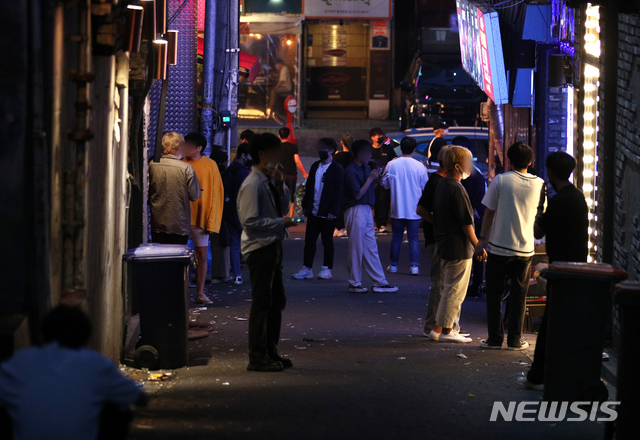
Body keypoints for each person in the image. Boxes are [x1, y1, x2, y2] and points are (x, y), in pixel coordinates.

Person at [0, 305, 147, 440]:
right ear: (85, 335)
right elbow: (139, 398)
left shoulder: (20, 361)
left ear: (44, 331)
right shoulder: (94, 363)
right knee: (116, 408)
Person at [523, 152, 588, 389]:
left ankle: (537, 376)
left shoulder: (559, 201)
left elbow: (538, 232)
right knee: (566, 321)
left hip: (562, 268)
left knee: (551, 324)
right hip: (577, 268)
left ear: (550, 172)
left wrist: (538, 208)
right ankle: (561, 372)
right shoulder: (577, 197)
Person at [237, 133, 299, 372]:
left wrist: (281, 183)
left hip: (273, 245)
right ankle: (257, 356)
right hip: (259, 248)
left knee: (276, 302)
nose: (278, 158)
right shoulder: (252, 184)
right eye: (274, 153)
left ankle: (270, 351)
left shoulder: (268, 180)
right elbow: (250, 221)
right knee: (263, 303)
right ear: (262, 155)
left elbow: (283, 206)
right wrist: (281, 223)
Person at [474, 142, 545, 351]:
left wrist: (482, 239)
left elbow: (488, 212)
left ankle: (495, 339)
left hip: (498, 246)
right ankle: (515, 340)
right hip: (524, 248)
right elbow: (541, 213)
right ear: (531, 161)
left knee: (494, 293)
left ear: (509, 160)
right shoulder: (540, 184)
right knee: (519, 295)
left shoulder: (501, 181)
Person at [429, 146, 485, 343]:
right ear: (457, 166)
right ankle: (444, 330)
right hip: (457, 246)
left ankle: (442, 328)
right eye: (468, 163)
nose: (471, 167)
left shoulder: (444, 184)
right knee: (454, 291)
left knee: (449, 289)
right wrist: (477, 244)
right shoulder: (456, 187)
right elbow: (465, 222)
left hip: (446, 243)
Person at [417, 146, 463, 338]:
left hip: (440, 238)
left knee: (444, 284)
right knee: (442, 284)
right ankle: (437, 326)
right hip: (439, 240)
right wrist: (439, 223)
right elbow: (421, 209)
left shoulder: (440, 182)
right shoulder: (438, 183)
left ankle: (442, 326)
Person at [343, 140, 398, 294]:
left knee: (370, 246)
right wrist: (370, 179)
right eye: (367, 153)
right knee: (356, 246)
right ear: (359, 154)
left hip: (366, 208)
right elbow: (357, 194)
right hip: (355, 209)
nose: (370, 155)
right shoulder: (350, 171)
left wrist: (376, 181)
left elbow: (366, 190)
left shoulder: (365, 167)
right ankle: (354, 282)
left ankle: (380, 281)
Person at [293, 138, 344, 280]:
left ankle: (326, 268)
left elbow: (338, 191)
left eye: (325, 149)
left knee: (327, 241)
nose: (321, 151)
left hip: (327, 213)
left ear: (332, 151)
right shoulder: (315, 165)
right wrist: (305, 205)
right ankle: (307, 268)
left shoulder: (336, 168)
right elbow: (309, 187)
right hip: (313, 211)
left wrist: (333, 211)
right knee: (309, 240)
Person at [182, 133, 225, 305]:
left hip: (200, 219)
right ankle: (180, 293)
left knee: (201, 256)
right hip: (181, 218)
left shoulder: (210, 165)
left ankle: (200, 293)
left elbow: (216, 194)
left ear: (199, 148)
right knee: (180, 257)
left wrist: (211, 221)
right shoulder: (180, 163)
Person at [382, 137, 429, 275]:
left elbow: (385, 185)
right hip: (414, 209)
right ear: (414, 150)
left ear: (400, 148)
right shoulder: (420, 166)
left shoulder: (392, 164)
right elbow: (425, 186)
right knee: (413, 238)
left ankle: (394, 265)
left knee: (396, 237)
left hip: (397, 207)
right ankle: (414, 266)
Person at [149, 132, 201, 245]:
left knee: (159, 258)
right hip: (179, 224)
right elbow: (195, 196)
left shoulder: (152, 165)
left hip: (157, 222)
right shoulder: (186, 168)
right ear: (179, 147)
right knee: (177, 260)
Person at [222, 144, 252, 285]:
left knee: (234, 243)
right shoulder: (243, 172)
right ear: (244, 155)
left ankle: (237, 275)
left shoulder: (230, 169)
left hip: (230, 211)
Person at [461, 163, 487, 297]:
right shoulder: (478, 176)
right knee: (476, 252)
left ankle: (472, 283)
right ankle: (476, 283)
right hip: (477, 217)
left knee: (472, 250)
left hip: (472, 218)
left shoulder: (467, 178)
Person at [369, 127, 396, 232]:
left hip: (385, 180)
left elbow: (393, 161)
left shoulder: (387, 149)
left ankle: (382, 224)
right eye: (376, 135)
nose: (379, 137)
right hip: (372, 180)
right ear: (372, 137)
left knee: (384, 201)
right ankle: (374, 223)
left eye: (380, 135)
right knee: (373, 201)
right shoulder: (369, 149)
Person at [278, 127, 308, 216]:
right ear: (289, 135)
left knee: (281, 195)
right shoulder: (293, 147)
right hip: (292, 175)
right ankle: (291, 216)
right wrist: (304, 173)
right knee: (291, 196)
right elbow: (297, 161)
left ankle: (283, 215)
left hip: (280, 175)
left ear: (279, 136)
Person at [333, 135, 354, 237]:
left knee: (339, 206)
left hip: (340, 184)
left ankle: (339, 228)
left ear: (342, 143)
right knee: (350, 206)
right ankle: (348, 227)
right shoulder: (354, 157)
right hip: (352, 184)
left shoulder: (338, 157)